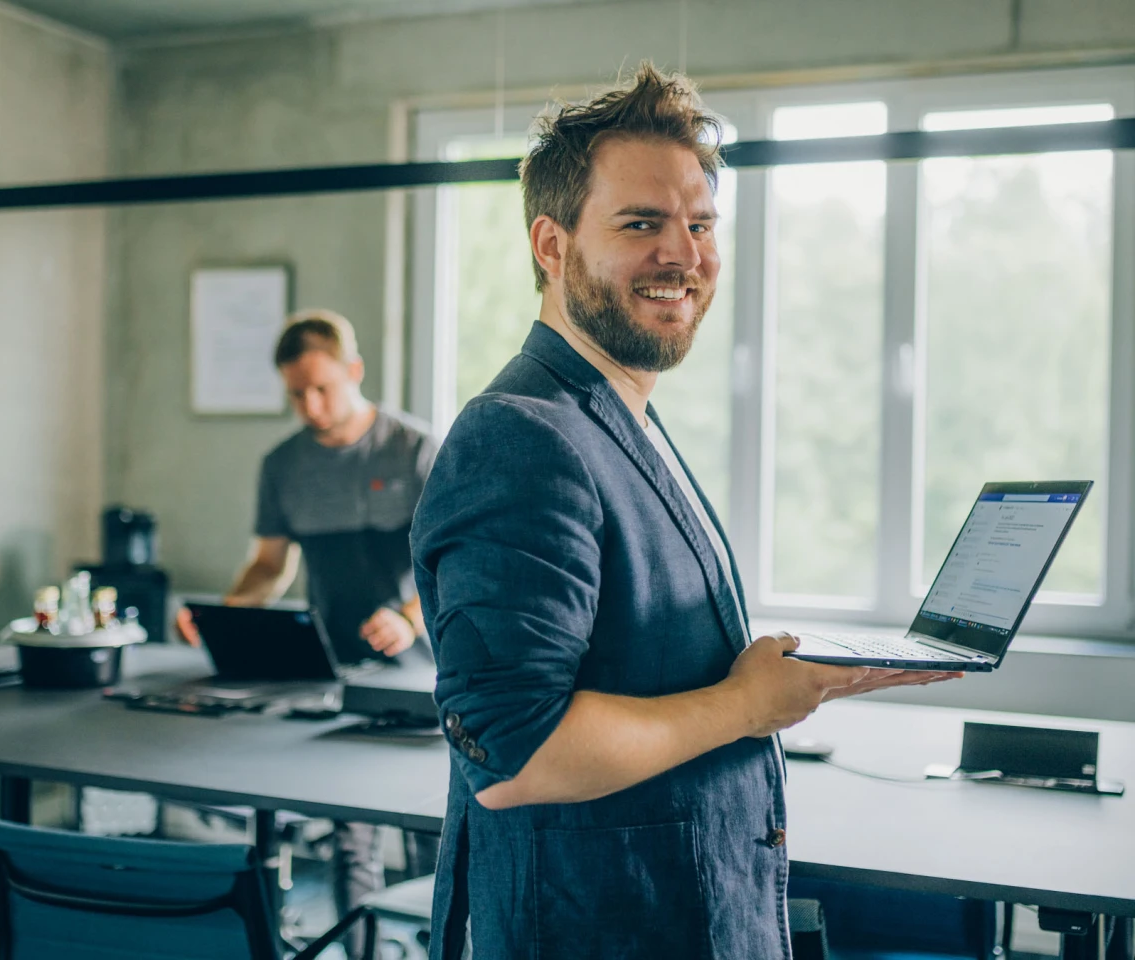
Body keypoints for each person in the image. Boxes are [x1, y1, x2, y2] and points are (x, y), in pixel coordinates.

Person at [410, 64, 959, 960]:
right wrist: (746, 704)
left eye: (700, 224)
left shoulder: (623, 419)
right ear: (551, 246)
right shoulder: (518, 436)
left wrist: (766, 675)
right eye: (641, 224)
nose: (685, 255)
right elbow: (519, 754)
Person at [181, 308, 438, 958]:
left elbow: (454, 558)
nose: (310, 404)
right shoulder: (283, 465)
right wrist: (227, 612)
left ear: (354, 371)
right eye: (296, 393)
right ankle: (360, 949)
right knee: (352, 831)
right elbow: (269, 565)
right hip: (335, 673)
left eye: (322, 387)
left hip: (421, 671)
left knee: (432, 835)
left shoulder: (415, 449)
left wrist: (408, 617)